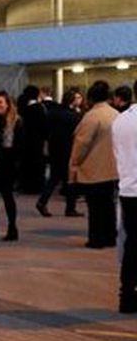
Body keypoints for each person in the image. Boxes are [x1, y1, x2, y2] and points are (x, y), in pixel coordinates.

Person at [70, 80, 120, 249]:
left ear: (91, 98)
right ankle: (110, 236)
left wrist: (75, 163)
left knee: (95, 207)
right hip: (112, 167)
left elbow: (82, 144)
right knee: (108, 206)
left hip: (93, 168)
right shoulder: (115, 114)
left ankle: (96, 239)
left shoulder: (91, 117)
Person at [37, 89, 83, 217]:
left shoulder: (53, 112)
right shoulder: (74, 115)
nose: (80, 99)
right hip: (68, 149)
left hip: (54, 149)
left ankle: (44, 201)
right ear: (72, 100)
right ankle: (69, 207)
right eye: (78, 97)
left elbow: (46, 129)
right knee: (69, 179)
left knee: (55, 178)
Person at [113, 80, 137, 313]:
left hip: (128, 189)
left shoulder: (121, 120)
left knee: (131, 243)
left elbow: (118, 153)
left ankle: (127, 295)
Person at [0, 91, 22, 241]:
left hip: (8, 164)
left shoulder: (16, 121)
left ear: (8, 104)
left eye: (0, 102)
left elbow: (20, 146)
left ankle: (12, 228)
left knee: (7, 197)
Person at [17, 85, 50, 194]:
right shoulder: (40, 108)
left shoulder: (22, 108)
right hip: (37, 142)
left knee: (26, 164)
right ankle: (36, 186)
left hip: (24, 141)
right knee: (37, 165)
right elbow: (45, 127)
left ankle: (26, 186)